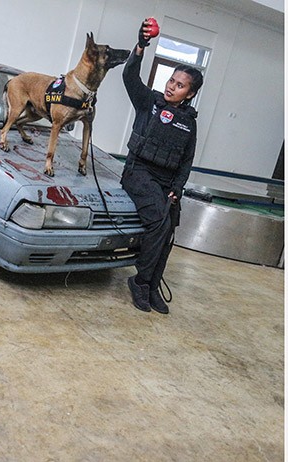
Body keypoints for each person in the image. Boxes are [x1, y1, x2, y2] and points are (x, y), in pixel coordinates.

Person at [120, 19, 204, 314]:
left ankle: (153, 284)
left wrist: (177, 190)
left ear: (190, 93)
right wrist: (142, 45)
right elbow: (130, 76)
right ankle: (140, 281)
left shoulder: (189, 124)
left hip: (167, 182)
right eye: (171, 80)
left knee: (168, 229)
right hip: (138, 172)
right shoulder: (149, 102)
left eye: (180, 85)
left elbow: (186, 161)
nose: (171, 87)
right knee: (158, 222)